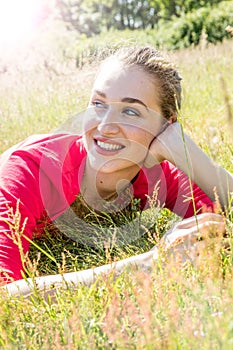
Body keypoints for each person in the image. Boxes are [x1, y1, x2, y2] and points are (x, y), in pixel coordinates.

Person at [0, 46, 232, 297]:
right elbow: (5, 295)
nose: (106, 126)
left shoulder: (157, 174)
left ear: (166, 124)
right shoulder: (29, 170)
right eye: (99, 104)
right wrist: (150, 263)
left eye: (131, 111)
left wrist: (189, 155)